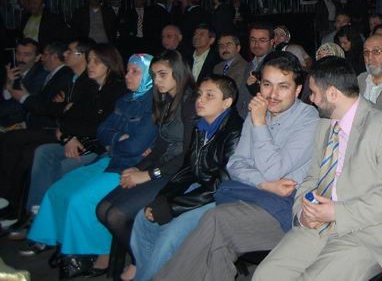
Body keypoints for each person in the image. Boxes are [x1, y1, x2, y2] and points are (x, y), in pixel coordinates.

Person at [153, 52, 320, 281]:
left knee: (215, 220)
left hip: (285, 211)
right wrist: (264, 184)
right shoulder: (257, 113)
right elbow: (236, 164)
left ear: (298, 90)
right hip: (252, 197)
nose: (272, 94)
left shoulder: (308, 119)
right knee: (218, 248)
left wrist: (259, 124)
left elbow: (273, 170)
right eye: (267, 84)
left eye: (283, 86)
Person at [251, 56, 382, 280]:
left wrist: (338, 212)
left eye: (314, 92)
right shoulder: (323, 125)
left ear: (332, 93)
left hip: (368, 232)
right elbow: (312, 178)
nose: (311, 99)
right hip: (319, 224)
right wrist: (303, 213)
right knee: (265, 275)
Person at [23, 55, 156, 277]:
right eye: (128, 70)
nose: (128, 75)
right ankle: (63, 242)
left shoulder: (154, 104)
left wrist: (115, 139)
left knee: (81, 199)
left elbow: (135, 146)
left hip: (128, 165)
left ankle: (89, 253)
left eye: (135, 71)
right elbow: (102, 131)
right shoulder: (125, 100)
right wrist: (117, 138)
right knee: (59, 190)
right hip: (108, 157)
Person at [130, 74, 243, 281]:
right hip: (200, 188)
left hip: (222, 197)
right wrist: (163, 197)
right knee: (142, 219)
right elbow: (188, 168)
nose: (200, 100)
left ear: (226, 102)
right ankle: (148, 273)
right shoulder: (201, 126)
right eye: (200, 94)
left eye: (210, 95)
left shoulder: (236, 132)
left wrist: (173, 207)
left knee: (171, 234)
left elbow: (222, 184)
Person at [95, 50, 196, 280]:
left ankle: (144, 262)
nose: (157, 81)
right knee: (102, 209)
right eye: (154, 75)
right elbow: (160, 146)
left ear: (178, 73)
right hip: (161, 168)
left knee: (116, 215)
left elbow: (188, 156)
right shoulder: (167, 100)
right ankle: (145, 259)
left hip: (179, 173)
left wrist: (149, 174)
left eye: (162, 74)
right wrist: (139, 168)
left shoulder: (190, 103)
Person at [14, 43, 126, 238]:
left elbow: (100, 128)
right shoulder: (90, 86)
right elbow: (67, 117)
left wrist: (69, 133)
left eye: (96, 62)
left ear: (109, 64)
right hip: (77, 141)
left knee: (64, 166)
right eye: (89, 60)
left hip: (97, 148)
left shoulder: (117, 90)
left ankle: (53, 226)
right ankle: (35, 212)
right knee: (43, 152)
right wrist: (69, 137)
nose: (90, 65)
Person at [0, 42, 73, 227]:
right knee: (22, 153)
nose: (42, 59)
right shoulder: (51, 74)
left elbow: (46, 109)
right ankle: (14, 209)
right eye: (19, 53)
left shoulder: (63, 75)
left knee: (12, 141)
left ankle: (11, 206)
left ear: (52, 56)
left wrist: (25, 98)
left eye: (44, 55)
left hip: (53, 129)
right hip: (38, 125)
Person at [0, 38, 46, 128]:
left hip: (20, 122)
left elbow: (24, 105)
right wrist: (8, 84)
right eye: (18, 53)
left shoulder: (41, 75)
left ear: (37, 57)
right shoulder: (9, 70)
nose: (21, 58)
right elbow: (5, 98)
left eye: (27, 54)